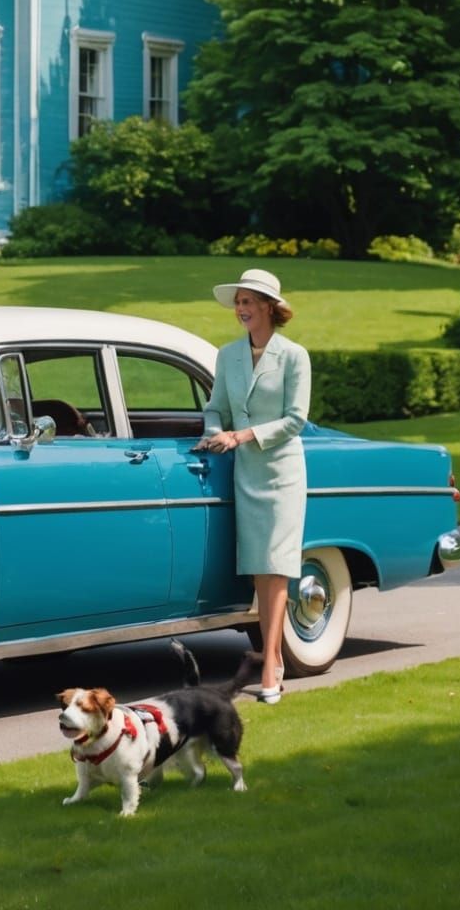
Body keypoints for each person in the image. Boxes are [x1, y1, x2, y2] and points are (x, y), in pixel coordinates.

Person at [195, 267, 311, 704]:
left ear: (269, 306)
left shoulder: (295, 355)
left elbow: (295, 419)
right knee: (258, 567)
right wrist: (211, 433)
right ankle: (273, 658)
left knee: (276, 568)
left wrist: (241, 436)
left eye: (249, 301)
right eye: (239, 302)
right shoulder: (228, 356)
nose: (241, 309)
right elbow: (216, 407)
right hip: (246, 472)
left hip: (281, 472)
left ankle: (269, 664)